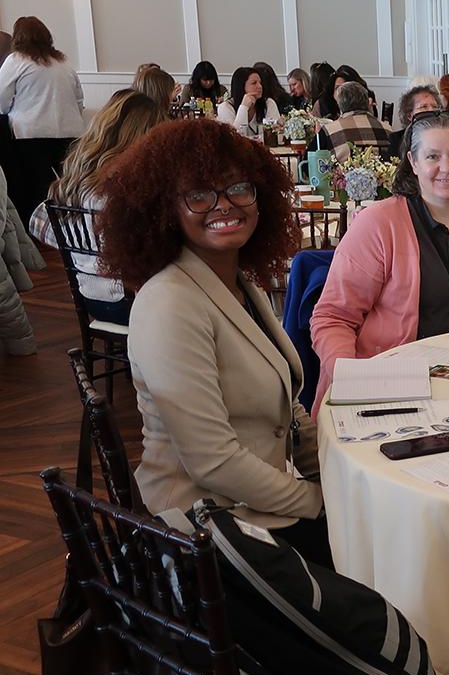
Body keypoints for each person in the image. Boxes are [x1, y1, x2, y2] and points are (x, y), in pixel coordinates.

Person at [93, 119, 331, 566]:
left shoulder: (240, 284)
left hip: (257, 506)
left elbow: (290, 411)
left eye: (239, 188)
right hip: (203, 532)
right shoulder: (170, 303)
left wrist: (344, 476)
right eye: (199, 195)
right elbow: (213, 463)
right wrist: (317, 501)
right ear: (165, 209)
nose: (224, 205)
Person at [310, 110, 449, 409]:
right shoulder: (378, 225)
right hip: (391, 390)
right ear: (412, 162)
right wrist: (352, 379)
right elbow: (332, 318)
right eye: (432, 156)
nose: (446, 167)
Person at [27, 89, 167, 325]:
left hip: (90, 297)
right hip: (133, 304)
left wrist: (85, 254)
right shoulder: (127, 190)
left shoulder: (75, 181)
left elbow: (41, 226)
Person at [0, 16, 85, 225]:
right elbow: (79, 99)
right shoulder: (63, 62)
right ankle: (74, 225)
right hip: (70, 129)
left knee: (37, 185)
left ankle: (43, 229)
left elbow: (1, 97)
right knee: (71, 182)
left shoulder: (17, 60)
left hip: (31, 132)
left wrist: (10, 112)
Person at [318, 82, 390, 162]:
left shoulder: (329, 130)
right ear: (367, 101)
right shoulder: (388, 129)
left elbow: (309, 163)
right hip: (382, 173)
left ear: (340, 104)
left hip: (344, 173)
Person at [216, 66, 281, 139]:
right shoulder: (225, 107)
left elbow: (274, 134)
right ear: (241, 86)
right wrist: (244, 107)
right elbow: (235, 137)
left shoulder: (269, 103)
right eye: (254, 83)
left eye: (260, 83)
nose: (260, 86)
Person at [386, 83, 441, 159]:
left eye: (435, 107)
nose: (431, 110)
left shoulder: (444, 137)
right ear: (409, 115)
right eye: (424, 107)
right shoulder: (396, 140)